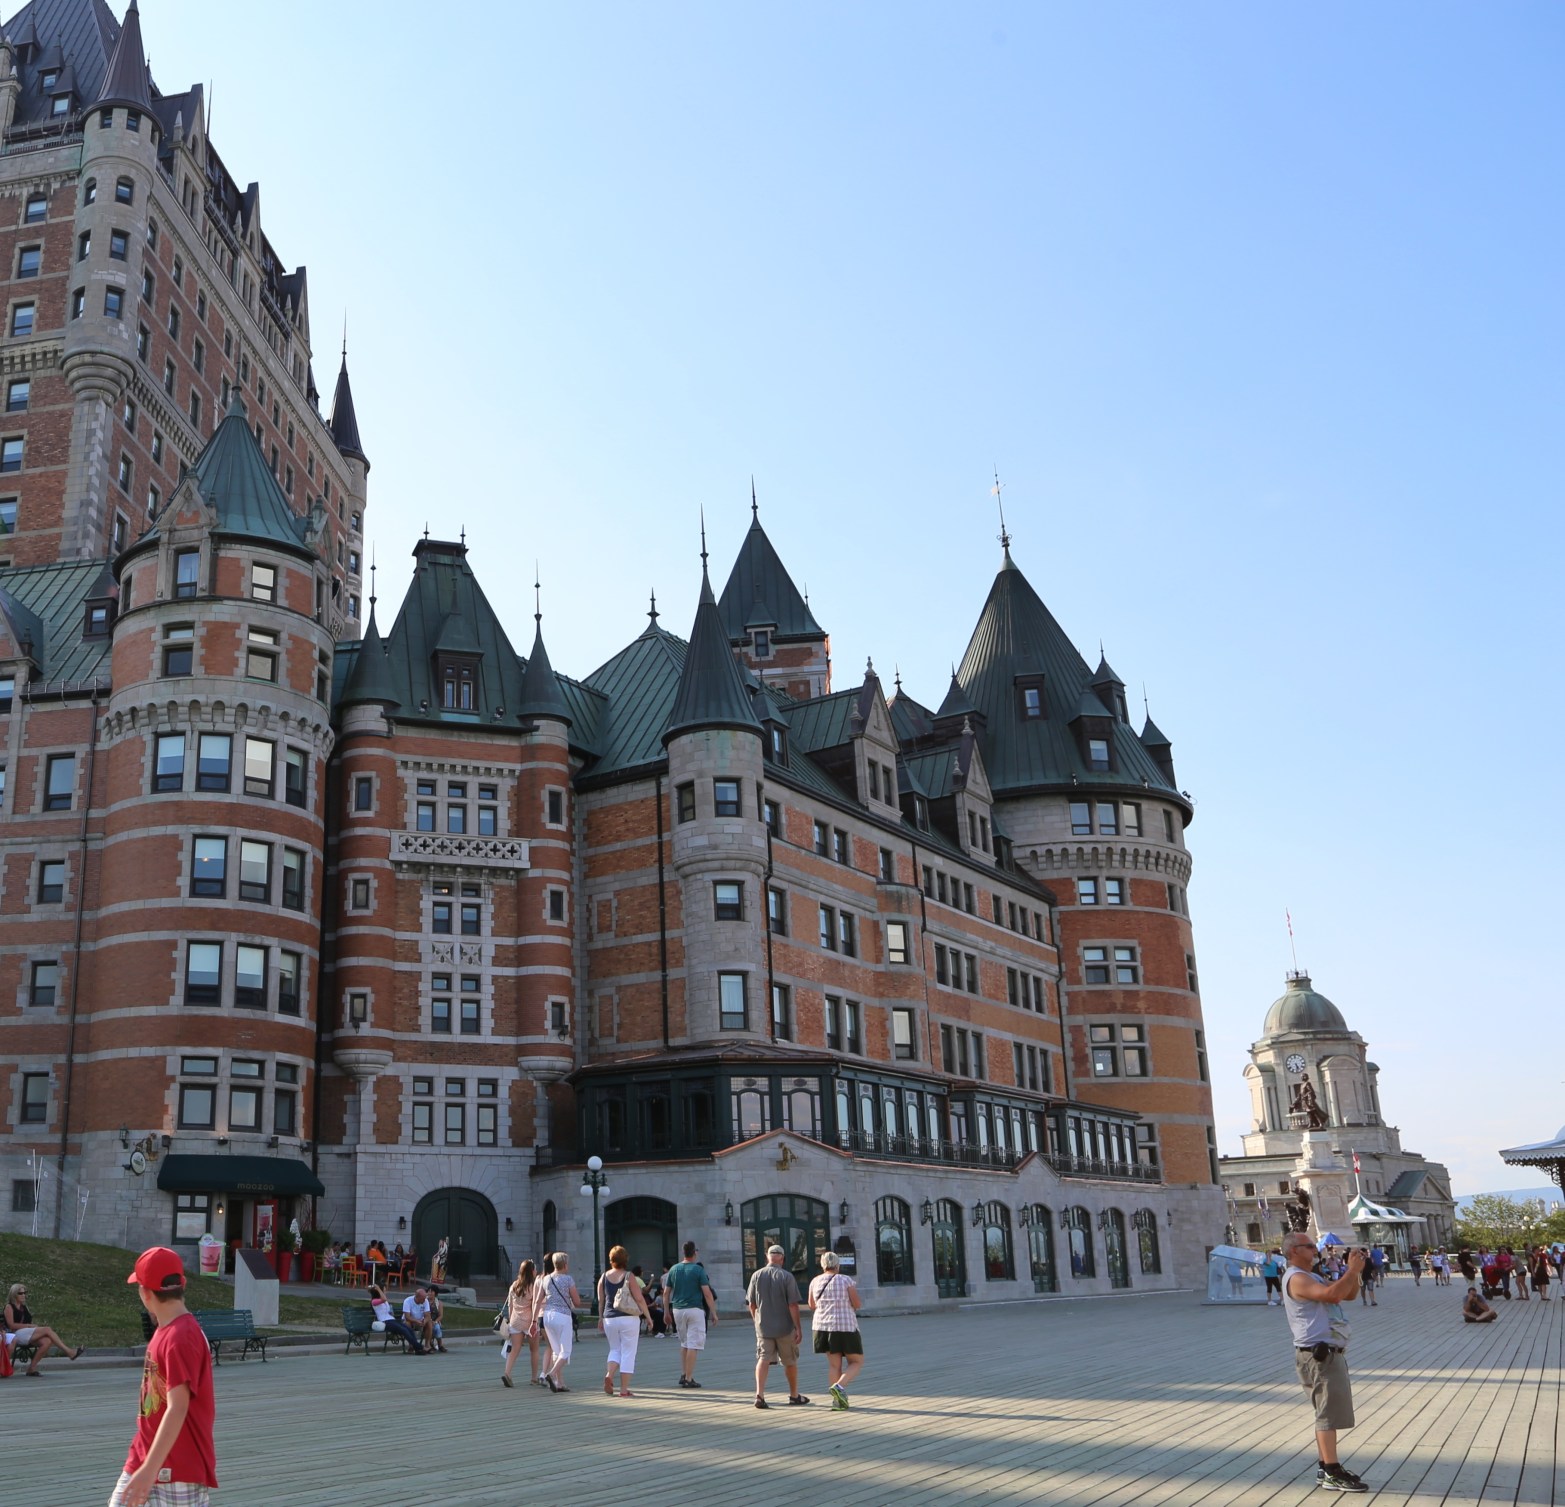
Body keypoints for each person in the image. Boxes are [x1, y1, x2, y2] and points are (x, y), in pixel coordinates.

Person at [113, 1247, 216, 1507]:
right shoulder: (166, 1330)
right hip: (146, 1456)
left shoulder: (181, 1336)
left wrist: (150, 1469)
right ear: (183, 1283)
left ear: (145, 1293)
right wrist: (145, 1464)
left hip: (177, 1466)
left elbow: (177, 1408)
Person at [1280, 1231, 1369, 1493]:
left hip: (1328, 1352)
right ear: (1294, 1250)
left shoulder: (1312, 1275)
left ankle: (1326, 1467)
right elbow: (1331, 1295)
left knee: (1328, 1411)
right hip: (1319, 1355)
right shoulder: (1296, 1278)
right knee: (1327, 1414)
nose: (1315, 1249)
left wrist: (1354, 1271)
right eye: (1309, 1246)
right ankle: (1332, 1470)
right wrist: (1350, 1271)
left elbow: (1346, 1295)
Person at [746, 1244, 808, 1409]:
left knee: (763, 1359)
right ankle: (794, 1395)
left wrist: (756, 1321)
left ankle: (759, 1395)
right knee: (790, 1361)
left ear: (768, 1257)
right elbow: (793, 1305)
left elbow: (751, 1304)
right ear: (782, 1258)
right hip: (785, 1328)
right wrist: (798, 1328)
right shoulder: (787, 1277)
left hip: (764, 1328)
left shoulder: (756, 1276)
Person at [807, 1250, 863, 1410]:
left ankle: (837, 1402)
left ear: (823, 1265)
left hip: (822, 1327)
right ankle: (840, 1386)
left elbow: (811, 1305)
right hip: (845, 1326)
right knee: (856, 1361)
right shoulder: (846, 1280)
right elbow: (857, 1304)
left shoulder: (815, 1281)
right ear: (837, 1265)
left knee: (834, 1365)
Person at [598, 1244, 654, 1397]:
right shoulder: (629, 1276)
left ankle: (609, 1374)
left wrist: (600, 1318)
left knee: (615, 1349)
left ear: (611, 1259)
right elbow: (639, 1298)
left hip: (609, 1318)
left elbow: (601, 1300)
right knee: (628, 1352)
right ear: (625, 1259)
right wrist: (648, 1317)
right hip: (628, 1318)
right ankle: (624, 1390)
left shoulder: (603, 1277)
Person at [664, 1240, 720, 1389]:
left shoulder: (674, 1269)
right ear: (694, 1252)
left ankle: (684, 1374)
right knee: (693, 1345)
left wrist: (665, 1311)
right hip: (694, 1309)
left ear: (683, 1253)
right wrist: (713, 1312)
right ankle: (689, 1378)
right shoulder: (698, 1270)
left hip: (677, 1310)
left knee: (684, 1343)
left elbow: (666, 1293)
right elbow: (707, 1294)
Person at [3, 1280, 83, 1375]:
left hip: (26, 1334)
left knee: (47, 1341)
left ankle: (31, 1369)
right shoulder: (9, 1307)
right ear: (14, 1294)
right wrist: (29, 1326)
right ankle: (69, 1352)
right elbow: (11, 1325)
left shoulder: (24, 1307)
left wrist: (31, 1327)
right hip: (14, 1335)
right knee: (47, 1329)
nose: (23, 1295)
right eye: (20, 1293)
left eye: (25, 1292)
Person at [538, 1251, 585, 1392]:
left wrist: (535, 1320)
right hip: (562, 1316)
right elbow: (577, 1302)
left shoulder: (545, 1279)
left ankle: (560, 1383)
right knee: (566, 1352)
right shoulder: (568, 1279)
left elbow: (538, 1300)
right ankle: (551, 1374)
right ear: (565, 1264)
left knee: (556, 1351)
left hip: (547, 1316)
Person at [501, 1260, 540, 1388]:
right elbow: (535, 1305)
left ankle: (507, 1373)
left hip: (515, 1321)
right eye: (534, 1269)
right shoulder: (533, 1287)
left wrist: (511, 1320)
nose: (536, 1271)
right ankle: (534, 1378)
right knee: (534, 1350)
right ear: (531, 1271)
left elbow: (510, 1306)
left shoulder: (514, 1286)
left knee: (514, 1349)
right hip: (529, 1321)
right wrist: (535, 1321)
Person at [367, 1284, 424, 1353]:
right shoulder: (374, 1301)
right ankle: (418, 1347)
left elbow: (386, 1307)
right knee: (404, 1330)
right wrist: (378, 1288)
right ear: (380, 1292)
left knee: (409, 1329)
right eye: (384, 1290)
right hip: (385, 1322)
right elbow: (384, 1299)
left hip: (391, 1320)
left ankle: (417, 1348)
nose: (385, 1292)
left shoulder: (384, 1301)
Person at [401, 1287, 436, 1353]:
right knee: (407, 1323)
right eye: (423, 1298)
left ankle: (427, 1345)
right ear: (418, 1297)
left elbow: (428, 1315)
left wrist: (424, 1321)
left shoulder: (425, 1301)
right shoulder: (407, 1301)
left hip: (421, 1321)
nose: (424, 1300)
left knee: (429, 1322)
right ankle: (411, 1345)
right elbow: (407, 1316)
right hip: (411, 1321)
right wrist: (416, 1321)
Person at [424, 1285, 448, 1352]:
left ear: (435, 1293)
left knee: (437, 1327)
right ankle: (430, 1344)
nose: (429, 1293)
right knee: (430, 1326)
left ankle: (440, 1345)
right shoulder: (424, 1301)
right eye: (428, 1291)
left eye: (432, 1292)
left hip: (435, 1321)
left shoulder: (439, 1303)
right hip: (426, 1321)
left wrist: (435, 1321)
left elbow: (440, 1315)